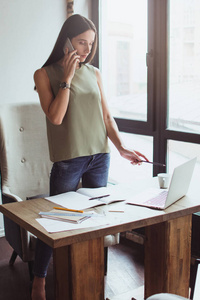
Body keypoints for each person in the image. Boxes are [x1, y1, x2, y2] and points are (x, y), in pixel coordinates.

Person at [32, 14, 148, 300]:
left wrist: (122, 148)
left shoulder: (95, 73)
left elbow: (106, 116)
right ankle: (39, 280)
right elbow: (56, 117)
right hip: (68, 159)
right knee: (56, 221)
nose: (86, 49)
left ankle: (88, 276)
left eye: (90, 44)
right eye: (81, 42)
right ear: (66, 42)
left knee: (95, 220)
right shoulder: (44, 74)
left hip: (100, 156)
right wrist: (68, 78)